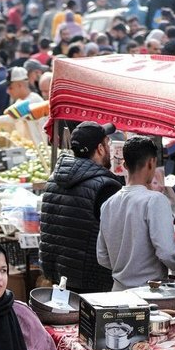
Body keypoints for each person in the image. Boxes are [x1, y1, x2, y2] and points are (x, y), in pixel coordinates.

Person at [41, 121, 123, 294]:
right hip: (92, 284)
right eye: (107, 144)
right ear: (100, 149)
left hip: (58, 279)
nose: (109, 148)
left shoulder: (53, 179)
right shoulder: (106, 186)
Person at [97, 136, 175, 290]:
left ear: (125, 165)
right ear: (151, 162)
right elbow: (167, 253)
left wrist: (126, 268)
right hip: (149, 294)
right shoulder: (155, 200)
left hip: (118, 293)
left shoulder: (108, 204)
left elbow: (102, 257)